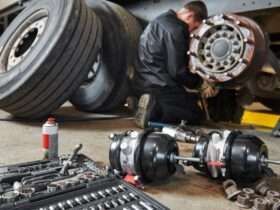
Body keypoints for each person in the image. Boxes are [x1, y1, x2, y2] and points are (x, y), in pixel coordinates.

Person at [133, 1, 215, 128]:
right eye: (194, 27)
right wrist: (200, 83)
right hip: (159, 86)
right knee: (195, 114)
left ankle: (139, 102)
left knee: (188, 100)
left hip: (142, 82)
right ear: (189, 16)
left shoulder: (159, 20)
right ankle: (154, 110)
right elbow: (177, 72)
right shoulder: (177, 28)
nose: (191, 32)